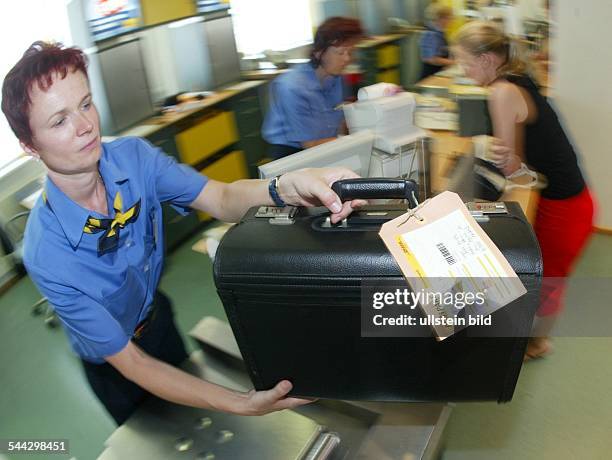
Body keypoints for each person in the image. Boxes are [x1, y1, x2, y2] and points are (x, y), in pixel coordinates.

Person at [1, 42, 363, 425]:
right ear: (29, 146)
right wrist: (241, 403)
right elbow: (134, 364)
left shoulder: (134, 158)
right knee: (151, 436)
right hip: (115, 366)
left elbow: (221, 197)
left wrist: (284, 187)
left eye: (86, 104)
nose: (85, 126)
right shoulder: (48, 254)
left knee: (192, 417)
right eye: (59, 121)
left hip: (157, 318)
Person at [453, 21, 596, 360]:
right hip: (565, 199)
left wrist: (493, 159)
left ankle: (537, 344)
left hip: (566, 208)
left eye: (464, 61)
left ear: (487, 59)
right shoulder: (518, 80)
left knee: (548, 283)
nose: (462, 69)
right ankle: (524, 335)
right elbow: (518, 162)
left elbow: (510, 166)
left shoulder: (501, 91)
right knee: (536, 275)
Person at [262, 17, 364, 159]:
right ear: (318, 52)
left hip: (326, 144)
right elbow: (311, 144)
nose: (347, 59)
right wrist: (359, 139)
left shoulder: (336, 77)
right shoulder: (292, 87)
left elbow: (339, 121)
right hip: (291, 154)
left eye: (350, 52)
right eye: (340, 53)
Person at [419, 5, 455, 79]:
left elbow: (441, 50)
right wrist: (453, 62)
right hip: (430, 75)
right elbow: (431, 59)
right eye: (450, 18)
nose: (452, 21)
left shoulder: (440, 32)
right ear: (441, 18)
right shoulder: (431, 34)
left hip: (438, 72)